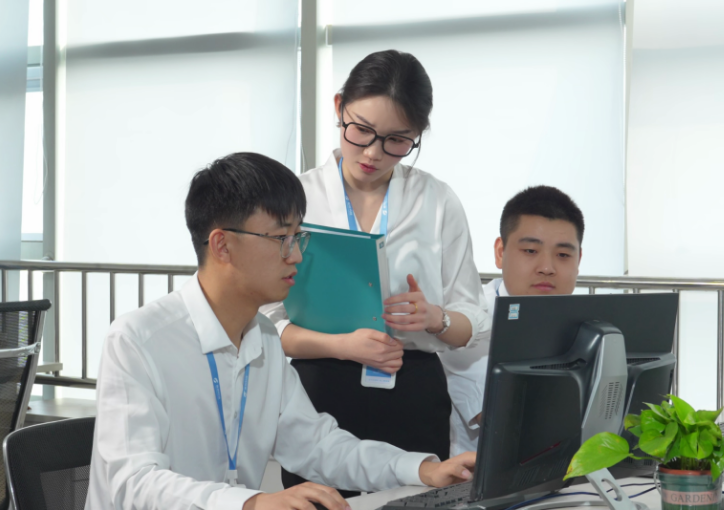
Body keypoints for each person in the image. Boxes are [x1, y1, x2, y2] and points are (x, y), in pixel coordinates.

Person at [85, 152, 476, 510]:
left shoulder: (265, 339)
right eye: (281, 238)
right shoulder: (137, 341)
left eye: (297, 237)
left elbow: (318, 444)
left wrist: (422, 470)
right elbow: (133, 482)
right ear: (222, 245)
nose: (297, 255)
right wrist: (251, 503)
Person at [261, 50, 489, 496]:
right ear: (338, 106)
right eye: (361, 130)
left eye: (396, 140)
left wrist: (436, 318)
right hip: (318, 389)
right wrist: (341, 346)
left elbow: (474, 322)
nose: (372, 152)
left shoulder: (437, 201)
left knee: (418, 499)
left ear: (417, 136)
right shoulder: (297, 198)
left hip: (414, 390)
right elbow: (267, 322)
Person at [439, 185, 585, 456]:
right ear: (500, 252)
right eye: (530, 251)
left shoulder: (590, 324)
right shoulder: (466, 323)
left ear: (579, 260)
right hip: (479, 475)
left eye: (563, 255)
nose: (547, 267)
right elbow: (506, 421)